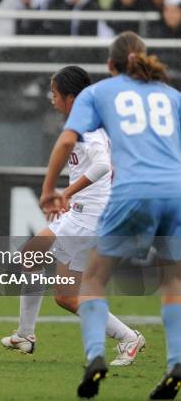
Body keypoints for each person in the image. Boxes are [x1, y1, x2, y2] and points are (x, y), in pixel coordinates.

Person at [40, 31, 181, 399]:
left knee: (92, 280)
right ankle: (176, 362)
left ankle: (96, 356)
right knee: (173, 282)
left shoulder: (99, 94)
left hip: (129, 194)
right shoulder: (171, 96)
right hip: (175, 191)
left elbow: (69, 141)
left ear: (110, 65)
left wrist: (52, 190)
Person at [0, 66, 145, 367]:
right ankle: (129, 338)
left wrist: (67, 192)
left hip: (86, 216)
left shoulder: (87, 126)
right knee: (66, 296)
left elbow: (103, 165)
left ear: (70, 97)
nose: (51, 100)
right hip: (87, 214)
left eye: (54, 94)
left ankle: (26, 335)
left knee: (30, 255)